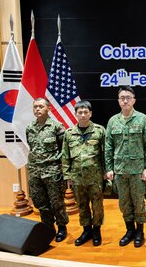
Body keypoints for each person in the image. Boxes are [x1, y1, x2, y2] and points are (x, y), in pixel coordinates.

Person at [105, 86, 146, 247]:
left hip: (138, 170)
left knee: (138, 202)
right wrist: (109, 168)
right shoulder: (113, 121)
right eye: (122, 97)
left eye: (128, 97)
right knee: (124, 203)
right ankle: (129, 230)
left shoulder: (143, 119)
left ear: (134, 100)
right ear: (118, 100)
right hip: (119, 170)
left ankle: (140, 231)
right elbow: (108, 146)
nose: (125, 100)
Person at [62, 100, 106, 246]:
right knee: (82, 205)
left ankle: (97, 230)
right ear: (75, 114)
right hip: (77, 178)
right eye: (79, 112)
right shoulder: (69, 133)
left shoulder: (99, 131)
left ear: (90, 113)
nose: (82, 115)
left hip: (95, 177)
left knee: (97, 205)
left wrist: (107, 172)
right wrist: (67, 176)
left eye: (85, 112)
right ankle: (86, 230)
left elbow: (106, 153)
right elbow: (65, 155)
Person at [26, 98, 69, 242]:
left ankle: (62, 227)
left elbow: (64, 149)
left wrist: (63, 170)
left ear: (48, 109)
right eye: (35, 107)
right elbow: (32, 148)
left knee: (56, 203)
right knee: (40, 203)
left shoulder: (56, 127)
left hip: (52, 171)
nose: (37, 109)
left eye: (41, 106)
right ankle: (48, 228)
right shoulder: (30, 128)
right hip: (35, 172)